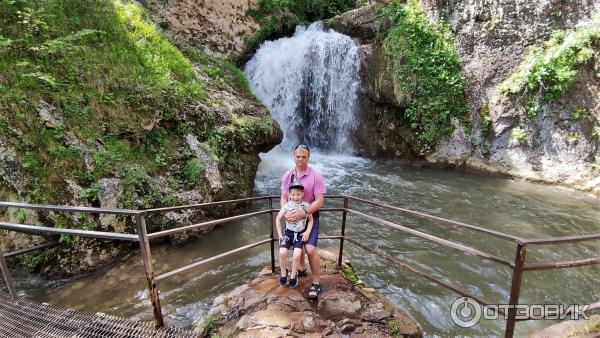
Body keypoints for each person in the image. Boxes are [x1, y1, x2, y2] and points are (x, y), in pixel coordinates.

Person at [280, 144, 326, 299]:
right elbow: (284, 197)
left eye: (303, 156)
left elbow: (320, 201)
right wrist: (285, 213)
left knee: (310, 249)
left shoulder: (315, 176)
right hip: (291, 218)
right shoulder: (287, 175)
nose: (300, 159)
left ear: (308, 157)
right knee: (293, 244)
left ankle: (317, 282)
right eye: (297, 156)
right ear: (294, 156)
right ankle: (300, 268)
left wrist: (304, 212)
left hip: (310, 216)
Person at [276, 183, 314, 288]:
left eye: (298, 194)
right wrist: (280, 234)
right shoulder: (287, 206)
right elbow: (278, 219)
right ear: (289, 194)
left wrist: (307, 232)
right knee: (282, 252)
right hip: (288, 233)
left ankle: (293, 276)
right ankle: (283, 274)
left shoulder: (306, 206)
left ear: (302, 194)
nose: (295, 197)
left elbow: (311, 220)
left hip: (300, 234)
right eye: (293, 194)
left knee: (297, 255)